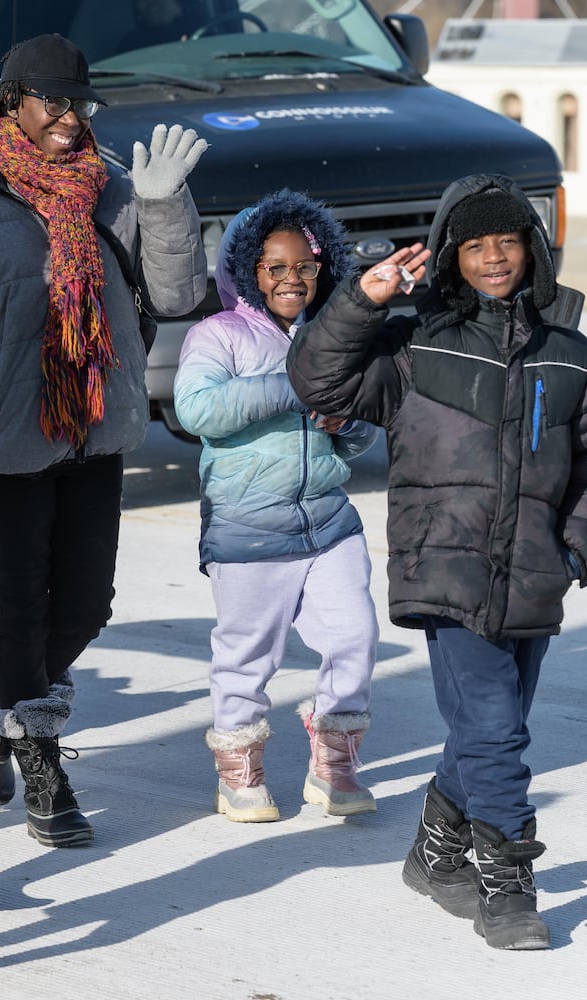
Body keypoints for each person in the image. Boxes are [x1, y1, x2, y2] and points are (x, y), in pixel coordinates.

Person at [287, 173, 587, 950]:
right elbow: (318, 379)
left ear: (532, 249)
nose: (494, 257)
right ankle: (506, 883)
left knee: (488, 729)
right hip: (446, 568)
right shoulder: (414, 347)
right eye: (476, 246)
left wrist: (576, 545)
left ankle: (435, 850)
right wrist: (363, 300)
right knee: (498, 732)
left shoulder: (571, 357)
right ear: (451, 258)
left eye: (507, 240)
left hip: (534, 569)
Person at [0, 33, 208, 847]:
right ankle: (41, 760)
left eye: (82, 104)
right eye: (54, 102)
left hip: (92, 426)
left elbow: (178, 295)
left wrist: (163, 206)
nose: (72, 119)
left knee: (86, 602)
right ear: (11, 101)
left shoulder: (113, 192)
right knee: (22, 591)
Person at [172, 189, 381, 823]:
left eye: (305, 266)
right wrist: (295, 384)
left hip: (327, 519)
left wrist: (344, 418)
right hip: (249, 525)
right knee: (248, 652)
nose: (292, 278)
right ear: (247, 271)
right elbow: (198, 409)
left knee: (355, 635)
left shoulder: (333, 335)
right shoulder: (220, 335)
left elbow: (367, 426)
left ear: (324, 270)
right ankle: (240, 773)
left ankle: (334, 767)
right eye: (276, 267)